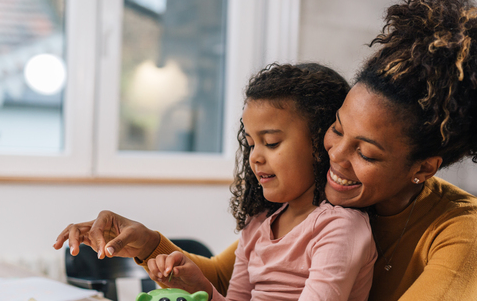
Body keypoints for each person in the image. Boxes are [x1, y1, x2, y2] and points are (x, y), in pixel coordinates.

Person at [54, 0, 477, 301]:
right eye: (337, 129)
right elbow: (229, 279)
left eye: (367, 153)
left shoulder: (463, 228)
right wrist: (149, 245)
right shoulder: (316, 205)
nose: (335, 157)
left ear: (422, 168)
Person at [148, 63, 376, 301]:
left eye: (271, 143)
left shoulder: (339, 227)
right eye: (251, 143)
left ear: (319, 142)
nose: (255, 157)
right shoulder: (257, 223)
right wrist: (199, 287)